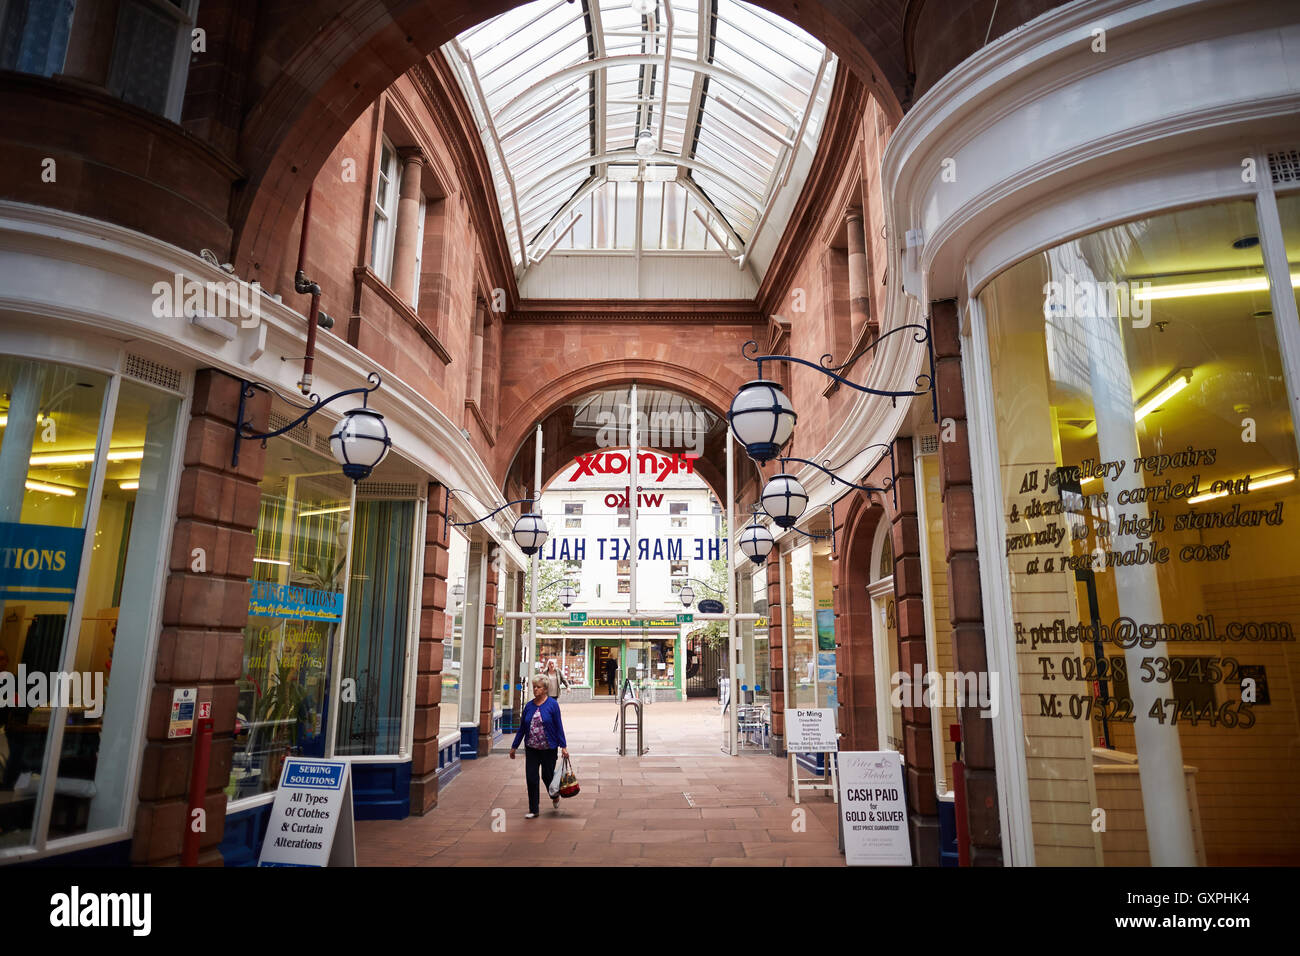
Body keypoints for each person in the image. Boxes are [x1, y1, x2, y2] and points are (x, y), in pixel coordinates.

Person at [509, 675, 569, 818]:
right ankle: (533, 809)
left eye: (538, 687)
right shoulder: (529, 706)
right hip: (532, 748)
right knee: (531, 777)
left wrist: (564, 746)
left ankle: (554, 795)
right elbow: (522, 728)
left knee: (547, 776)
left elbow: (558, 726)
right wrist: (514, 746)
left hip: (549, 748)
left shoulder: (552, 705)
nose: (535, 689)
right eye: (534, 686)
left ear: (545, 689)